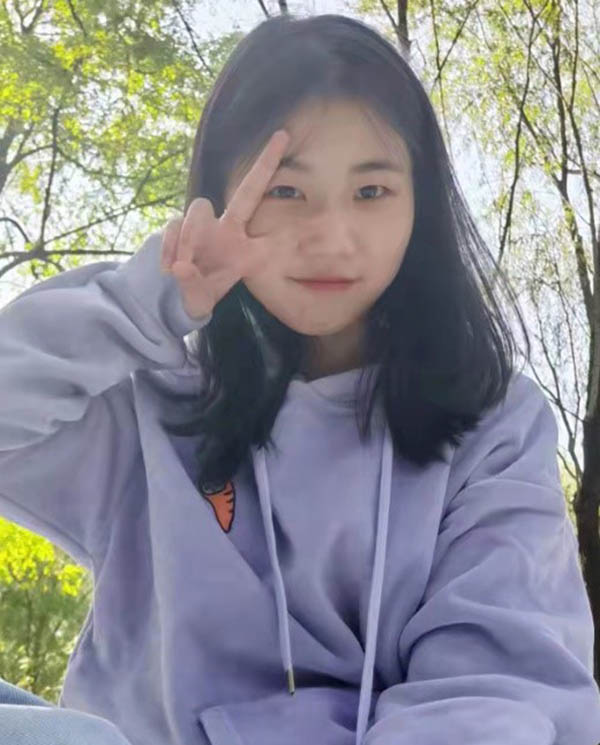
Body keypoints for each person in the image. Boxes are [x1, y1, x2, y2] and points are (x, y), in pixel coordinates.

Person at [0, 11, 598, 745]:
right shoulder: (149, 400)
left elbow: (499, 682)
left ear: (421, 206)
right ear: (220, 199)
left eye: (371, 192)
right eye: (285, 191)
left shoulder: (492, 422)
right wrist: (144, 302)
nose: (331, 238)